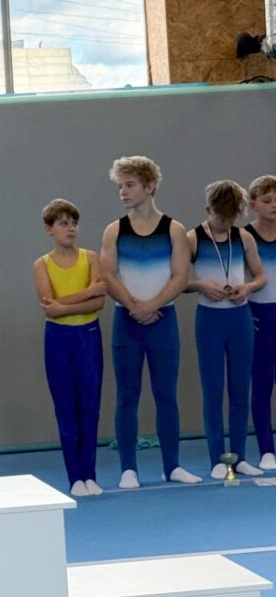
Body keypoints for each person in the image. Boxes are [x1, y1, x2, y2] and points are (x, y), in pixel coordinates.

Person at [100, 156, 201, 489]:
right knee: (127, 396)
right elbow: (108, 275)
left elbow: (180, 276)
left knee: (166, 394)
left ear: (150, 187)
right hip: (126, 322)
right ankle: (128, 469)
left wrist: (151, 305)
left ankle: (171, 466)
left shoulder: (174, 230)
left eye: (130, 185)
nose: (123, 192)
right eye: (120, 186)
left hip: (162, 322)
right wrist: (134, 306)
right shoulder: (114, 231)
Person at [187, 180, 265, 478]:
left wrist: (247, 288)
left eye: (231, 219)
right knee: (213, 389)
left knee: (240, 388)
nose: (225, 225)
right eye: (221, 219)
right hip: (210, 320)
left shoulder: (243, 237)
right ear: (208, 209)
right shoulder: (192, 238)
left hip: (239, 318)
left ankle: (240, 456)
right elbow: (176, 280)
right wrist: (201, 285)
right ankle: (218, 459)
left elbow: (260, 277)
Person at [34, 199, 105, 497]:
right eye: (63, 224)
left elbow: (99, 301)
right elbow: (49, 307)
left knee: (90, 407)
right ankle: (75, 477)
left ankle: (90, 474)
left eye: (73, 223)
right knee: (66, 408)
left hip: (88, 336)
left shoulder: (91, 258)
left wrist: (64, 305)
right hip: (58, 339)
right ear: (49, 229)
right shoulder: (42, 265)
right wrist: (87, 292)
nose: (71, 229)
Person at [244, 175, 276, 469]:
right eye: (267, 200)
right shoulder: (244, 237)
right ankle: (267, 449)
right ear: (253, 205)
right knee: (262, 383)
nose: (274, 205)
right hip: (258, 316)